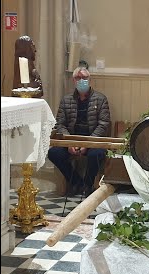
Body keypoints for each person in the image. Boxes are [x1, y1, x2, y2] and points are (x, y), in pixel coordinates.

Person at [48, 66, 111, 196]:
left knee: (97, 154)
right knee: (54, 153)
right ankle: (77, 181)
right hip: (72, 139)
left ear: (89, 80)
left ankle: (88, 185)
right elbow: (60, 124)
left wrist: (87, 144)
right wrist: (70, 142)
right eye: (78, 78)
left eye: (84, 78)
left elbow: (103, 125)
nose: (81, 80)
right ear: (73, 80)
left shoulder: (101, 99)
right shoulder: (66, 100)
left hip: (93, 140)